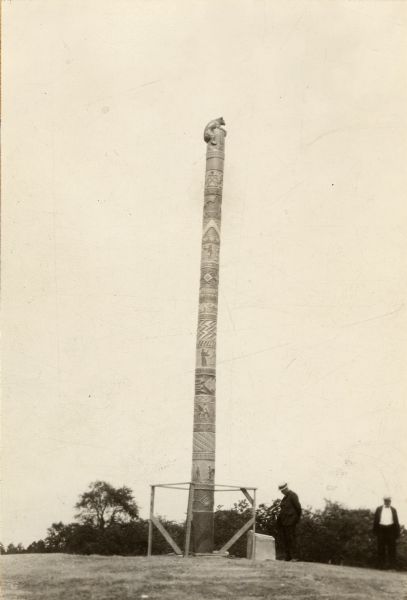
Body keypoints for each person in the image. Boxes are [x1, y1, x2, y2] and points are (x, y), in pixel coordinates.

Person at [373, 496, 400, 569]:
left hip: (391, 529)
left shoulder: (393, 510)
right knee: (381, 548)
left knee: (392, 548)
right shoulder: (379, 509)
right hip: (381, 529)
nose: (387, 502)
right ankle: (380, 566)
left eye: (389, 501)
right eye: (386, 501)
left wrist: (397, 532)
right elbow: (375, 520)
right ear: (384, 501)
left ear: (390, 501)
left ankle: (392, 567)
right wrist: (375, 531)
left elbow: (396, 521)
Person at [276, 482, 302, 561]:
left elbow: (298, 509)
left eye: (282, 490)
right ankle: (288, 557)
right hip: (284, 522)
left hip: (291, 522)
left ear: (286, 489)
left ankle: (295, 557)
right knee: (286, 539)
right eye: (281, 491)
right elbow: (283, 510)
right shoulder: (285, 498)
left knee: (291, 539)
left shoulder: (293, 495)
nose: (281, 492)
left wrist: (295, 520)